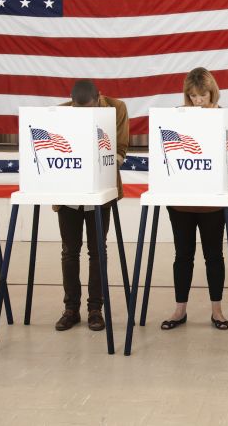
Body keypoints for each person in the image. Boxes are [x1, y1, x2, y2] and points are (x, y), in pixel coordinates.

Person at [160, 68, 228, 330]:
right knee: (182, 256)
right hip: (181, 202)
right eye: (193, 96)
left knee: (213, 256)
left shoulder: (224, 118)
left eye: (203, 95)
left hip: (212, 203)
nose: (198, 101)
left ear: (212, 93)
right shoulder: (177, 118)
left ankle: (217, 311)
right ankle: (179, 310)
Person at [54, 80, 129, 332]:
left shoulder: (117, 108)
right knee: (69, 251)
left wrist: (100, 165)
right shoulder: (60, 112)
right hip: (69, 194)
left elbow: (120, 150)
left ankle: (96, 308)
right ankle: (71, 309)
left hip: (100, 192)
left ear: (99, 98)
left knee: (97, 251)